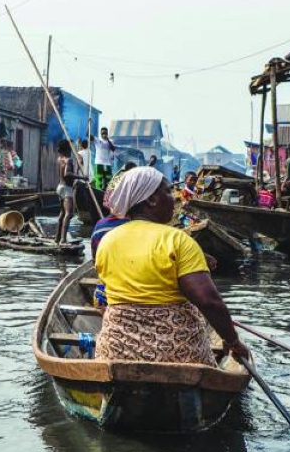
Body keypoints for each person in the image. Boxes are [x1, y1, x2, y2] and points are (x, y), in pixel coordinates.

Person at [95, 167, 250, 366]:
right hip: (177, 352)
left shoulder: (107, 241)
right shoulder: (178, 240)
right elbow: (209, 302)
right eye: (168, 191)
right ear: (151, 200)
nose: (174, 198)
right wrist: (233, 342)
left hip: (116, 350)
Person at [55, 140, 78, 244]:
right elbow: (67, 174)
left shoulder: (59, 159)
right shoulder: (68, 160)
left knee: (63, 213)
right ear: (68, 149)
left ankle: (57, 238)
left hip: (60, 187)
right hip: (66, 188)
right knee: (69, 214)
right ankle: (63, 239)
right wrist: (82, 177)